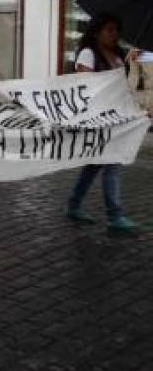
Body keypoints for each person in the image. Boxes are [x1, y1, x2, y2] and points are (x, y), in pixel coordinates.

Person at [66, 13, 138, 232]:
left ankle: (73, 205)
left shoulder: (119, 55)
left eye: (116, 30)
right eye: (109, 30)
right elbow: (85, 86)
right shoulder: (88, 54)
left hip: (116, 118)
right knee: (111, 165)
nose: (114, 34)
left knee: (94, 166)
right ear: (97, 31)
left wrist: (138, 58)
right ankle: (114, 216)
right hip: (99, 120)